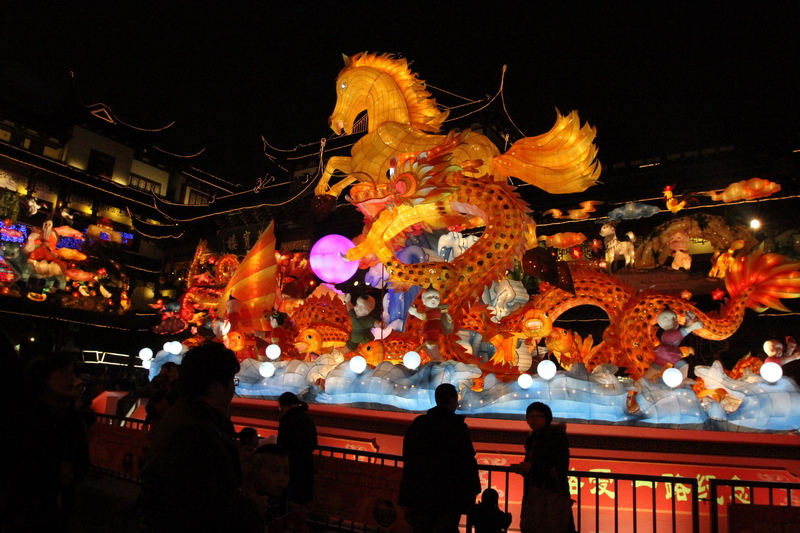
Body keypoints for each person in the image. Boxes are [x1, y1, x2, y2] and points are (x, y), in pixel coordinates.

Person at [139, 342, 258, 532]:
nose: (233, 391)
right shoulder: (195, 432)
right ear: (214, 388)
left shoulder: (182, 416)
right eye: (232, 382)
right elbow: (202, 507)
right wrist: (249, 510)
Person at [2, 351, 90, 532]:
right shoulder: (21, 416)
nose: (71, 377)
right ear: (43, 378)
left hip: (54, 506)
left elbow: (81, 462)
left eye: (72, 372)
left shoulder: (71, 418)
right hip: (20, 507)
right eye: (63, 372)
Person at [399, 383, 481, 533]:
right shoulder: (457, 427)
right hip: (448, 495)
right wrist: (472, 490)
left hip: (420, 492)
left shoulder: (420, 424)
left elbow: (408, 453)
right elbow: (467, 461)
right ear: (453, 401)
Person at [511, 402, 575, 533]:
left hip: (552, 493)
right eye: (530, 416)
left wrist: (532, 468)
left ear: (547, 418)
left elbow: (559, 467)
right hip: (535, 492)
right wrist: (523, 469)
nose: (533, 419)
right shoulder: (533, 438)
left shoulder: (555, 438)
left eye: (538, 416)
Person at [243, 443, 308, 533]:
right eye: (275, 472)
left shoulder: (292, 510)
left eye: (286, 472)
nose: (282, 478)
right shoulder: (241, 505)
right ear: (255, 472)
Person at [277, 392, 318, 505]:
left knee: (288, 500)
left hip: (290, 468)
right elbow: (314, 444)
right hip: (306, 467)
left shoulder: (286, 420)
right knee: (302, 502)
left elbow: (282, 446)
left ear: (285, 405)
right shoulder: (307, 418)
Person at [408, 288, 453, 362]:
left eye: (436, 297)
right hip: (430, 327)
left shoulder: (435, 311)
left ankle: (438, 359)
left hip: (433, 328)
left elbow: (423, 316)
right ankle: (434, 359)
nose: (433, 299)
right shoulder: (432, 309)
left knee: (431, 343)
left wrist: (415, 313)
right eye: (429, 297)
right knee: (427, 343)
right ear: (423, 300)